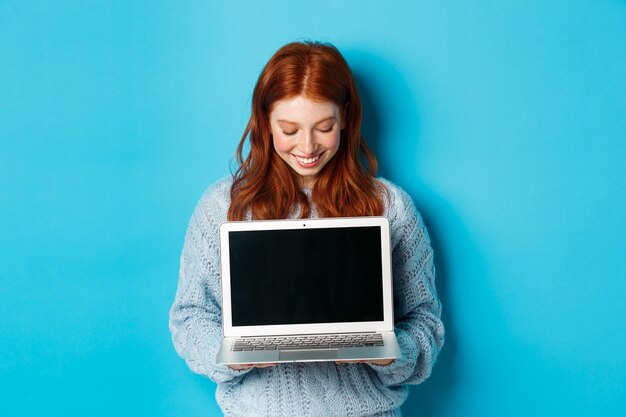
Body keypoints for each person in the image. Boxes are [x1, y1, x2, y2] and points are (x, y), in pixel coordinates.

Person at [169, 41, 444, 417]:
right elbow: (189, 317)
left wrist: (389, 352)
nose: (307, 146)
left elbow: (425, 320)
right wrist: (233, 355)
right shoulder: (222, 207)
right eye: (290, 129)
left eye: (324, 127)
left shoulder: (390, 206)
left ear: (345, 117)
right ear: (265, 121)